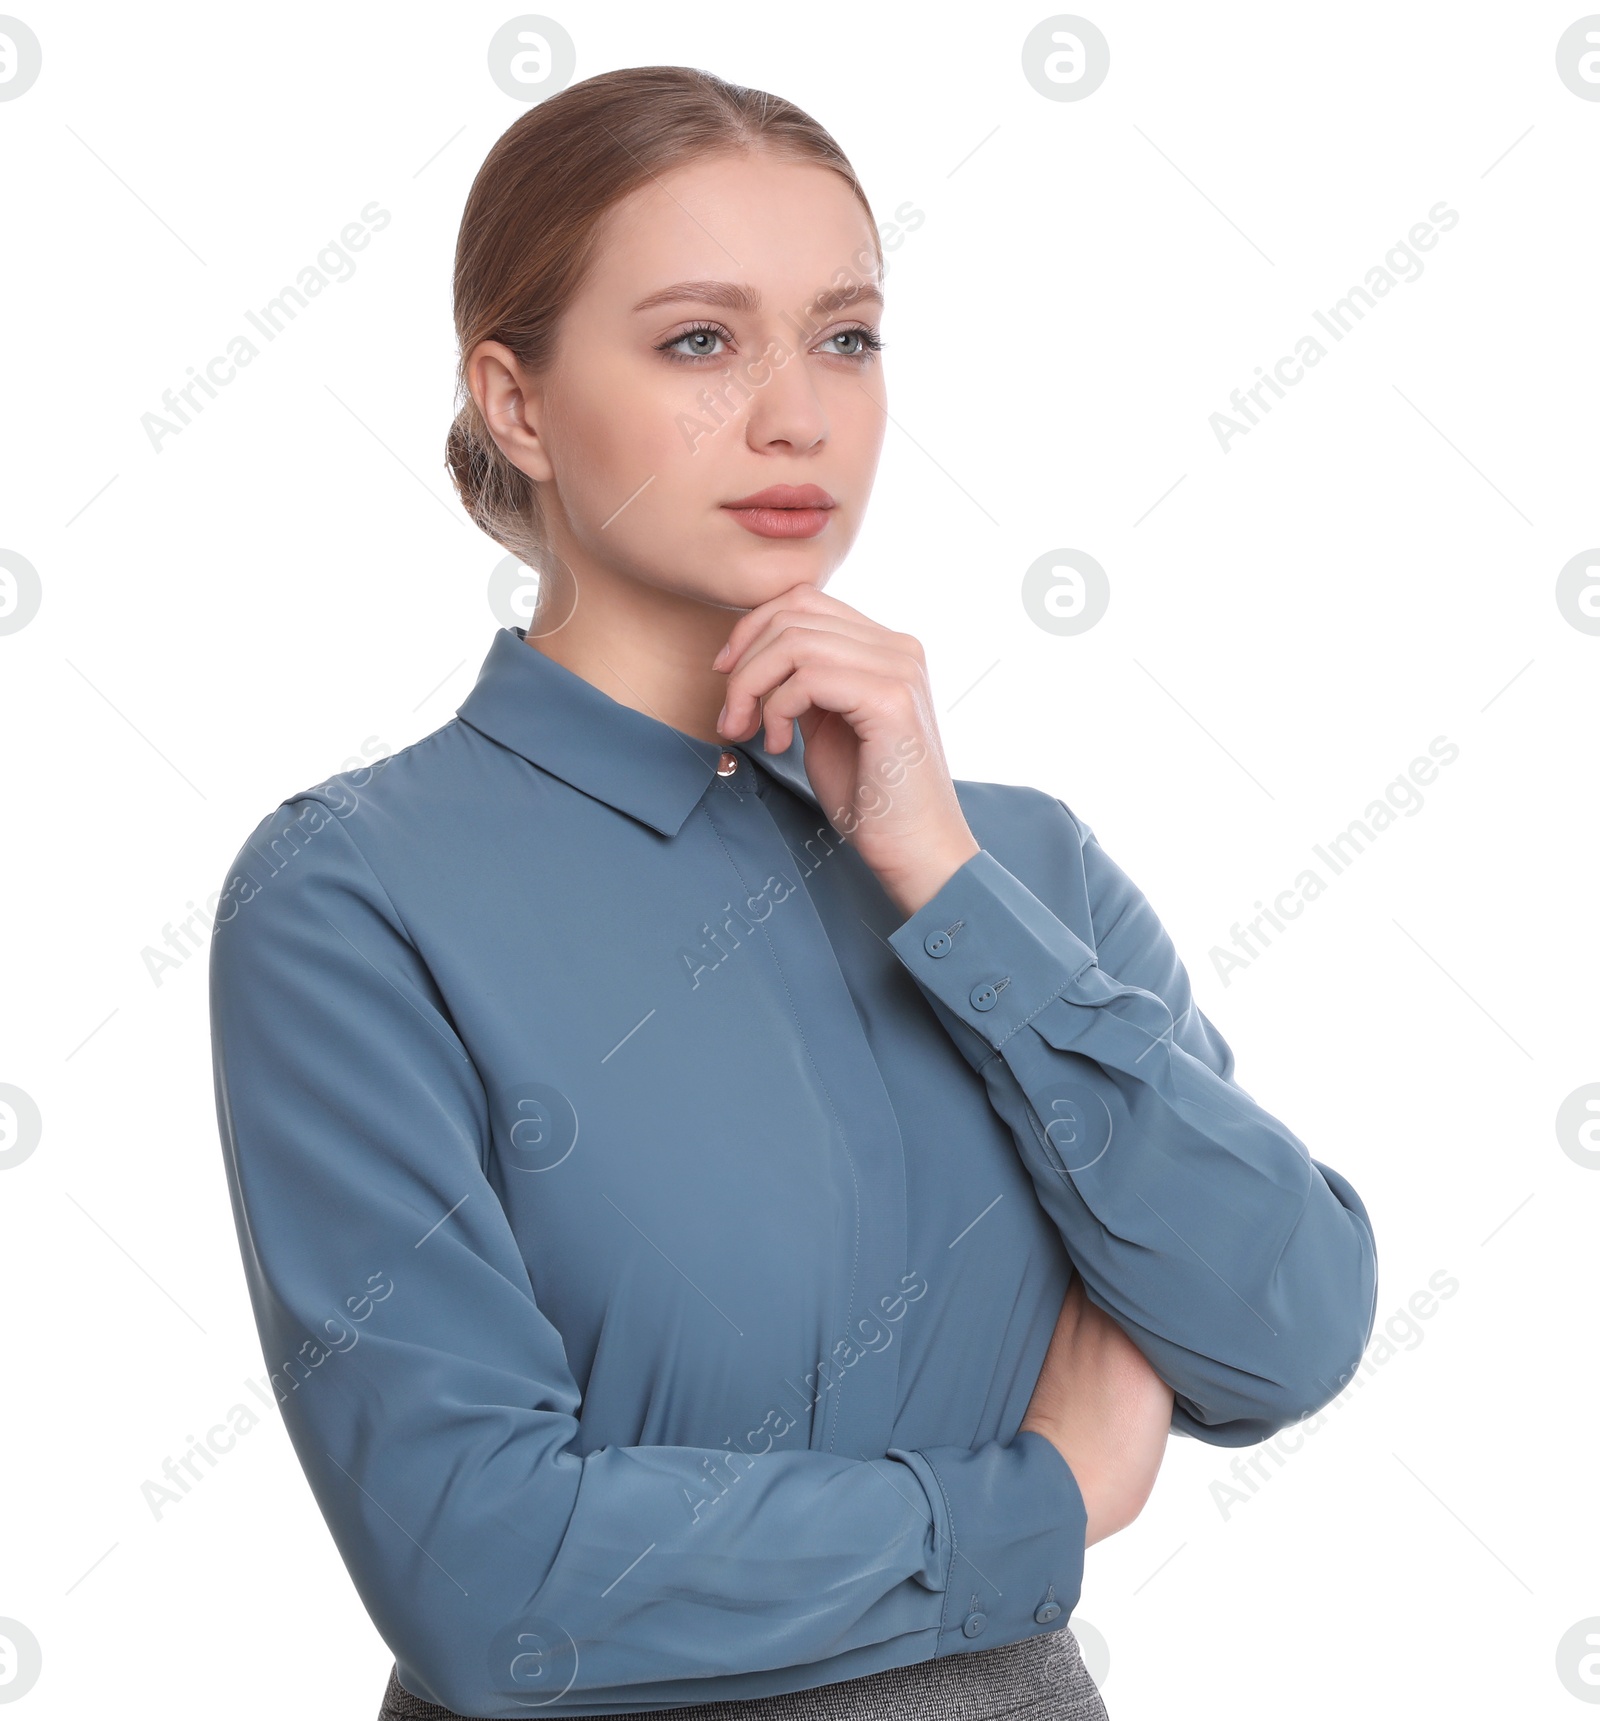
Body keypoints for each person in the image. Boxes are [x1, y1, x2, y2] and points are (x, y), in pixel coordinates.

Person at [207, 65, 1379, 1721]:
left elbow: (1289, 1325)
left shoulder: (1016, 864)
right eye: (700, 341)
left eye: (845, 336)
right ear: (519, 401)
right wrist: (1036, 1499)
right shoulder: (355, 897)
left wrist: (942, 883)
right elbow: (492, 1574)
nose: (799, 418)